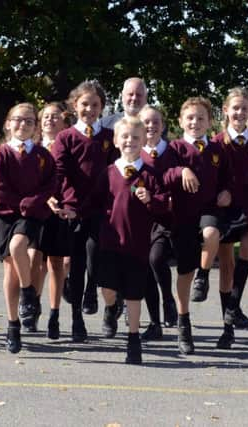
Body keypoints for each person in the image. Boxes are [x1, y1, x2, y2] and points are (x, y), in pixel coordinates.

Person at [83, 116, 167, 363]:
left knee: (134, 294)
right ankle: (111, 308)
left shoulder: (150, 175)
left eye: (136, 137)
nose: (130, 141)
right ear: (117, 141)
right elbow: (94, 202)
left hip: (138, 245)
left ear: (143, 141)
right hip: (110, 243)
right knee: (108, 289)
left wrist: (151, 198)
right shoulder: (108, 173)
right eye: (125, 137)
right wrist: (74, 211)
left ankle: (133, 340)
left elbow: (163, 203)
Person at [165, 96, 233, 354]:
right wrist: (181, 171)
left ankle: (204, 276)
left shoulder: (218, 150)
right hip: (183, 216)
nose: (195, 122)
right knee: (184, 273)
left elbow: (228, 179)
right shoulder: (173, 149)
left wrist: (227, 192)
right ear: (181, 121)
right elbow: (164, 175)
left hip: (209, 210)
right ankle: (184, 323)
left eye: (201, 118)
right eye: (190, 118)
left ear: (210, 121)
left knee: (212, 232)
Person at [51, 80, 117, 342]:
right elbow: (58, 170)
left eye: (95, 105)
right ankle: (77, 319)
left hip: (102, 208)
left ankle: (93, 288)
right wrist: (54, 198)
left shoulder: (109, 138)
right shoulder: (65, 137)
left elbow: (116, 170)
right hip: (73, 208)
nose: (89, 109)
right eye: (84, 104)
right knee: (75, 263)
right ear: (74, 106)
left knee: (95, 253)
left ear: (102, 107)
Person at [0, 102, 57, 353]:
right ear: (8, 123)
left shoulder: (42, 155)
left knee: (19, 244)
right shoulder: (1, 154)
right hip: (7, 215)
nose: (23, 125)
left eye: (29, 121)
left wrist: (32, 202)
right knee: (10, 274)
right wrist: (20, 203)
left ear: (35, 128)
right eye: (18, 119)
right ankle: (12, 325)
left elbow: (51, 185)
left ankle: (29, 292)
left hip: (31, 216)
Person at [207, 87, 248, 349]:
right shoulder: (216, 143)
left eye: (245, 108)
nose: (240, 113)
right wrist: (221, 193)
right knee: (226, 267)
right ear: (226, 111)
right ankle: (227, 326)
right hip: (224, 212)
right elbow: (212, 180)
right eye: (235, 108)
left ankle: (234, 306)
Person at [26, 102, 74, 338]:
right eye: (46, 116)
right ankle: (32, 306)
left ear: (65, 122)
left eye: (56, 116)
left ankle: (54, 315)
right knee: (34, 259)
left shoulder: (68, 146)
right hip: (37, 210)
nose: (50, 120)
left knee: (56, 263)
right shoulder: (31, 147)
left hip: (60, 210)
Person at [138, 105, 179, 341]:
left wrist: (163, 200)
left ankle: (168, 299)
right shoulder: (133, 153)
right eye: (146, 122)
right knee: (144, 270)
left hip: (166, 220)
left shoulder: (172, 153)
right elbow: (130, 184)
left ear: (162, 126)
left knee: (156, 259)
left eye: (155, 122)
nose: (151, 126)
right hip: (142, 221)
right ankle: (154, 323)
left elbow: (178, 187)